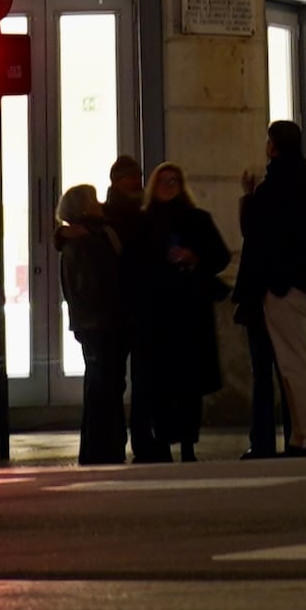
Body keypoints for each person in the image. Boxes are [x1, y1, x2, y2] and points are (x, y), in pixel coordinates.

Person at [237, 119, 306, 456]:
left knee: (295, 364)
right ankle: (302, 436)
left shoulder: (278, 183)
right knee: (294, 364)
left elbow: (258, 232)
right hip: (298, 281)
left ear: (274, 145)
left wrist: (248, 197)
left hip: (282, 285)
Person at [124, 159, 230, 460]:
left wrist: (194, 257)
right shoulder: (143, 222)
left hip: (189, 311)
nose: (168, 186)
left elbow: (220, 256)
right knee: (160, 382)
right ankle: (162, 440)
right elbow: (132, 265)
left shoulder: (197, 219)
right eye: (163, 181)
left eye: (174, 181)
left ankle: (187, 442)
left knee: (189, 382)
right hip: (156, 313)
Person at [55, 180, 131, 461]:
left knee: (103, 386)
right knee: (105, 387)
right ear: (83, 207)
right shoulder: (86, 242)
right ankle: (104, 448)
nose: (100, 204)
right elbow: (93, 287)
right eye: (94, 200)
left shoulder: (93, 235)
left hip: (98, 323)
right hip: (101, 323)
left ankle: (101, 447)